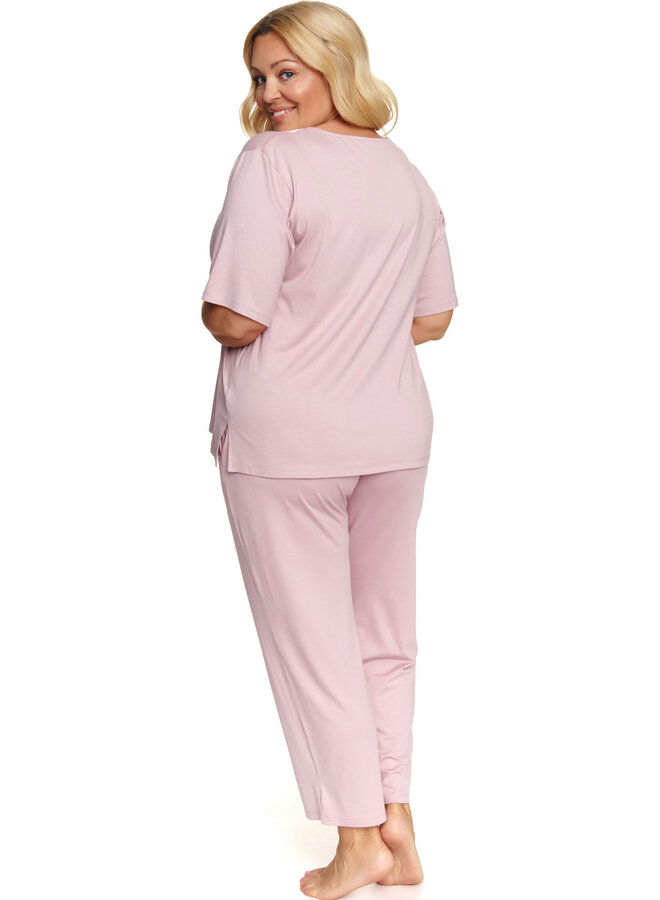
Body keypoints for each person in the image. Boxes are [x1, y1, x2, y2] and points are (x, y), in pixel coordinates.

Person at [200, 4, 458, 898]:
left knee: (314, 643)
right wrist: (354, 322)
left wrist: (222, 309)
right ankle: (396, 822)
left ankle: (356, 842)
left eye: (287, 72)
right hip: (393, 433)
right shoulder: (405, 173)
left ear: (335, 66)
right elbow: (433, 317)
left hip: (288, 440)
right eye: (259, 76)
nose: (270, 93)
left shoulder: (270, 164)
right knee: (383, 635)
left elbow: (236, 316)